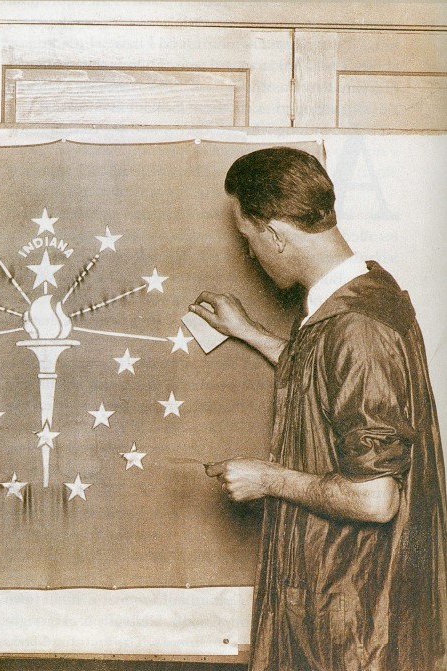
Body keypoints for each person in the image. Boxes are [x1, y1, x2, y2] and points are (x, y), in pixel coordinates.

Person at [195, 147, 447, 670]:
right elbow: (332, 382)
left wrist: (268, 479)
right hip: (342, 604)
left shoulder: (359, 328)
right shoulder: (364, 296)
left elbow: (376, 499)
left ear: (277, 235)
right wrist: (248, 332)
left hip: (355, 625)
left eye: (249, 239)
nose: (251, 255)